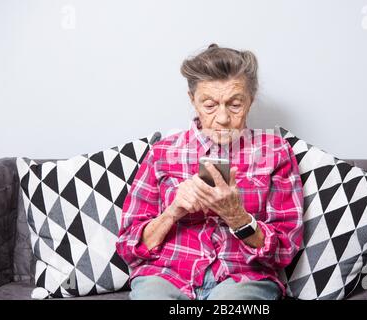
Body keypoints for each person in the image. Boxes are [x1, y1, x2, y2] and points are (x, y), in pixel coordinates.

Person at [116, 43, 304, 300]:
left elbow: (285, 249)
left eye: (235, 105)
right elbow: (129, 246)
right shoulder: (162, 153)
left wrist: (237, 216)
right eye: (210, 105)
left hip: (243, 278)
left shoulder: (276, 152)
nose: (223, 118)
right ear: (192, 101)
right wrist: (173, 211)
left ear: (250, 100)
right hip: (165, 276)